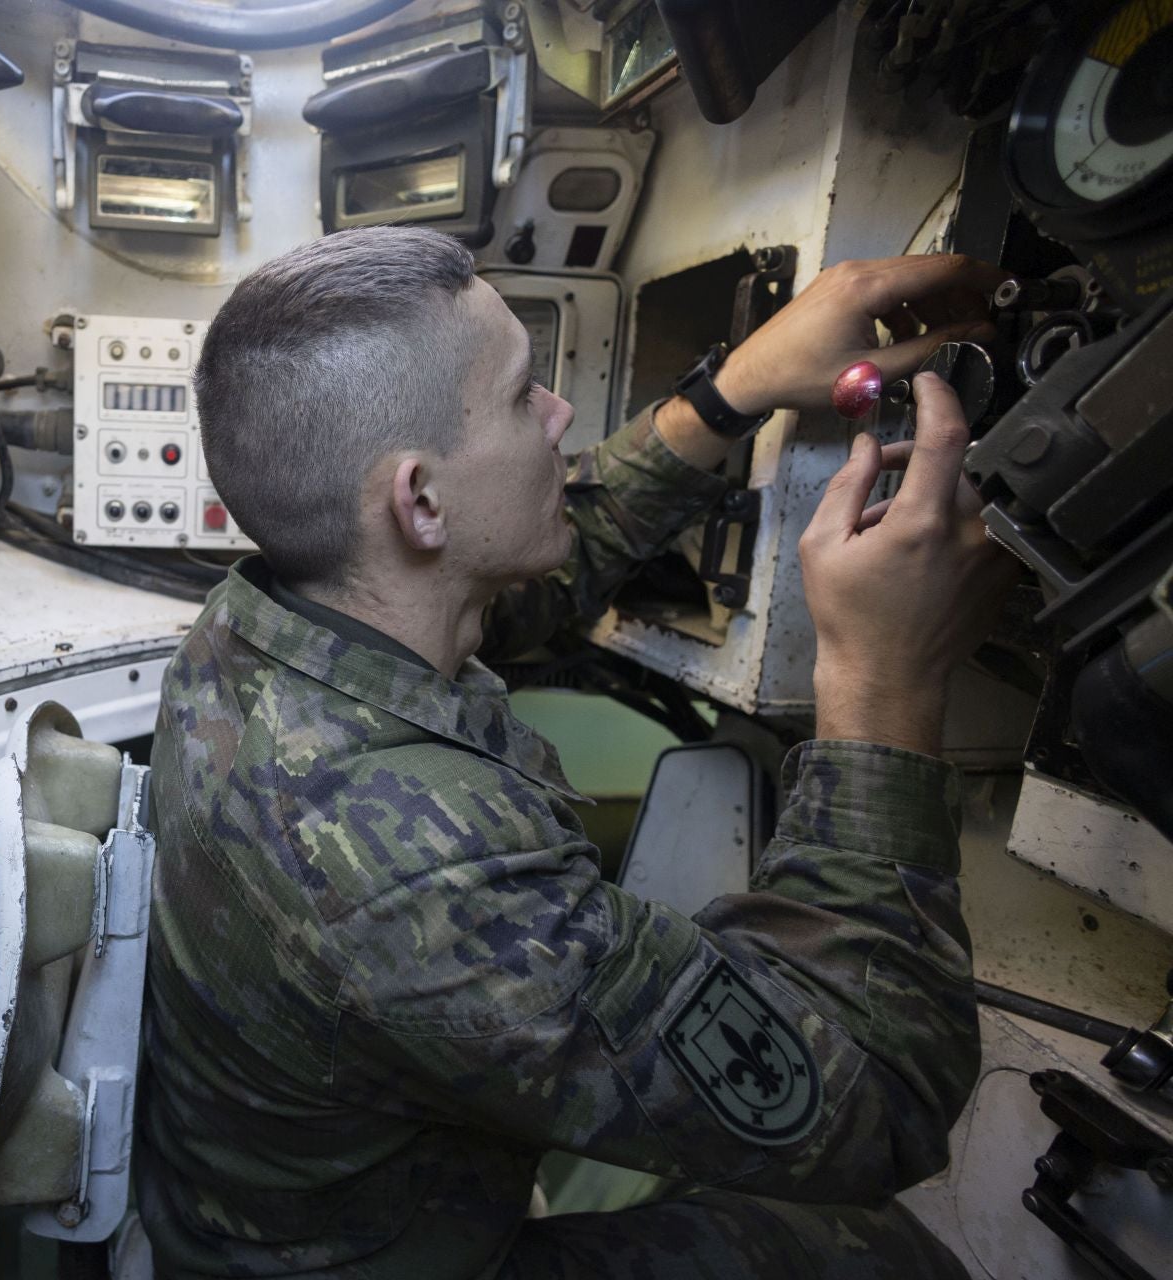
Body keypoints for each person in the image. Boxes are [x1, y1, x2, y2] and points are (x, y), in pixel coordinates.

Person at [134, 226, 1017, 1279]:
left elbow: (515, 570)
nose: (558, 412)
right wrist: (883, 679)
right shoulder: (426, 879)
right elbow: (882, 1093)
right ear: (419, 498)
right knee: (875, 1257)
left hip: (272, 1206)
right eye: (522, 396)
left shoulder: (261, 623)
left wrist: (734, 390)